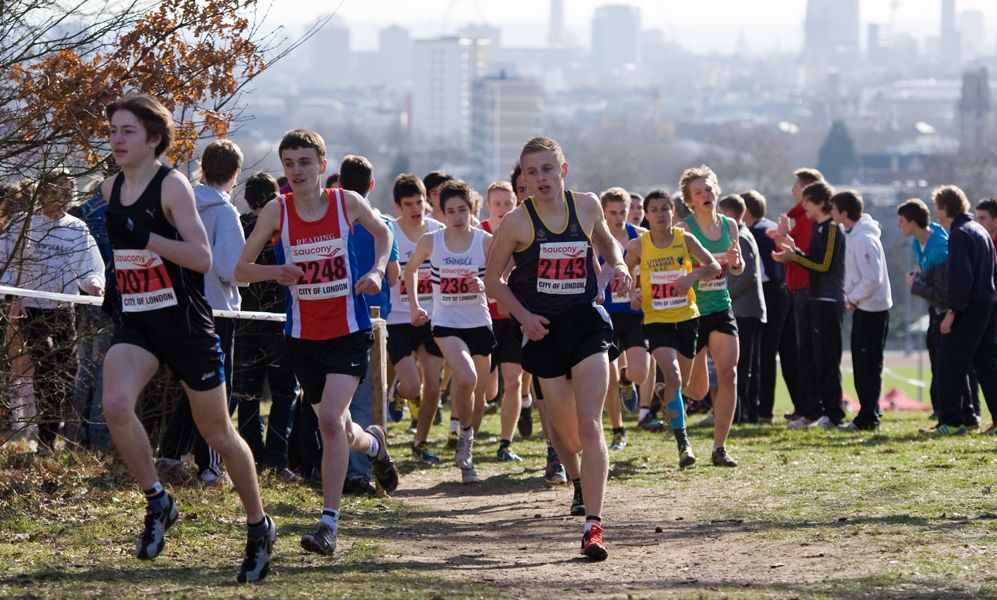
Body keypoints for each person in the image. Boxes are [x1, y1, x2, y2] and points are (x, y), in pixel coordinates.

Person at [98, 94, 273, 582]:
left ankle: (259, 526)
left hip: (185, 324)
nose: (116, 138)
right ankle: (159, 501)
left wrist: (147, 237)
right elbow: (126, 255)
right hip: (138, 320)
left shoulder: (172, 186)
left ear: (153, 138)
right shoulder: (111, 187)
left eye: (127, 130)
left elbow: (201, 258)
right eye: (113, 129)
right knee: (115, 403)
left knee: (218, 434)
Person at [235, 128, 398, 557]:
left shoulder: (347, 202)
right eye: (288, 164)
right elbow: (240, 269)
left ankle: (328, 523)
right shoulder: (277, 211)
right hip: (302, 337)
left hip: (347, 331)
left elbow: (385, 235)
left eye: (305, 162)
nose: (297, 171)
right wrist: (276, 272)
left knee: (329, 417)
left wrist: (379, 270)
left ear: (322, 166)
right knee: (340, 427)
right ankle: (375, 445)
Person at [485, 136, 631, 561]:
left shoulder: (586, 205)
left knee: (590, 424)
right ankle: (580, 481)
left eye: (547, 169)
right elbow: (494, 281)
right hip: (543, 332)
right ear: (523, 179)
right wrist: (524, 317)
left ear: (562, 170)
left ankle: (594, 527)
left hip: (586, 324)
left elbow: (607, 243)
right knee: (566, 433)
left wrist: (618, 265)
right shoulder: (515, 222)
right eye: (531, 172)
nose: (540, 178)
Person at [159, 139, 246, 485]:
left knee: (190, 388)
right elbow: (230, 268)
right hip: (217, 310)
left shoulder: (181, 205)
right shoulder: (224, 213)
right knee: (213, 389)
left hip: (180, 306)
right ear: (235, 173)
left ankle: (169, 454)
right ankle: (210, 466)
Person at [1, 171, 105, 452]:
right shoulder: (24, 224)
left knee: (66, 370)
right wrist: (14, 294)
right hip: (31, 309)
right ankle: (43, 440)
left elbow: (90, 267)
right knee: (45, 362)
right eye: (59, 191)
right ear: (44, 192)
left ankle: (49, 438)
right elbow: (7, 259)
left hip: (63, 309)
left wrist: (94, 285)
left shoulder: (77, 228)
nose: (65, 197)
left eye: (70, 192)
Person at [406, 180, 494, 483]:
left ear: (471, 210)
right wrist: (416, 306)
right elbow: (410, 269)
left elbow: (503, 277)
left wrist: (485, 286)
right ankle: (463, 445)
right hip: (446, 324)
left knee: (480, 394)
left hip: (480, 323)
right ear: (442, 213)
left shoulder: (485, 241)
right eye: (451, 211)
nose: (457, 216)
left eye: (462, 210)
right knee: (466, 377)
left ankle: (466, 443)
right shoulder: (432, 241)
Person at [626, 190, 720, 467]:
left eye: (665, 209)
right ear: (646, 214)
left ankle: (663, 393)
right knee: (675, 376)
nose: (660, 214)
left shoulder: (684, 239)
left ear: (673, 212)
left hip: (688, 317)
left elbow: (713, 265)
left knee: (684, 386)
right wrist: (632, 292)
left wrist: (692, 276)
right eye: (654, 209)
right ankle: (683, 444)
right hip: (657, 321)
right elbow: (621, 271)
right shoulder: (639, 245)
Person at [338, 155, 401, 496]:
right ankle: (359, 473)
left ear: (338, 185)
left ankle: (336, 468)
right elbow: (393, 276)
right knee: (366, 399)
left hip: (332, 317)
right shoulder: (382, 225)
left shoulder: (332, 220)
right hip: (374, 320)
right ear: (371, 186)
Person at [233, 172, 300, 480]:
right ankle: (277, 457)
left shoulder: (239, 227)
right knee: (285, 391)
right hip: (279, 320)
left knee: (247, 394)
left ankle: (252, 454)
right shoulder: (280, 229)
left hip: (244, 321)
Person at [678, 166, 744, 466]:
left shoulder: (730, 225)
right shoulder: (685, 229)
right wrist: (699, 273)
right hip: (692, 312)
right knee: (697, 389)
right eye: (698, 192)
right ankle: (671, 388)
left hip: (720, 307)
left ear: (716, 191)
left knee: (729, 374)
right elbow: (677, 273)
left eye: (708, 189)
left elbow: (738, 267)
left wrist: (737, 262)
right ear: (690, 201)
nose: (705, 195)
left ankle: (719, 447)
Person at [897, 199, 979, 427]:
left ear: (913, 222)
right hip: (935, 310)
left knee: (950, 364)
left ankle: (965, 415)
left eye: (901, 221)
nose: (898, 226)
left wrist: (915, 286)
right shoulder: (918, 243)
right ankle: (954, 414)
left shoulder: (940, 250)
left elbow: (943, 293)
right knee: (940, 363)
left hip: (946, 311)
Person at [772, 181, 846, 430]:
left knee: (827, 359)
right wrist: (794, 253)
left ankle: (834, 413)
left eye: (807, 201)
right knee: (811, 357)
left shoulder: (833, 229)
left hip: (829, 300)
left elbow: (824, 265)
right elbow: (811, 259)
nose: (803, 206)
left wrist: (797, 257)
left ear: (821, 203)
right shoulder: (818, 228)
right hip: (815, 299)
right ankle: (814, 411)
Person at [386, 174, 444, 464]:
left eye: (419, 202)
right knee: (413, 388)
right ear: (398, 207)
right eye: (408, 204)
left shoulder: (438, 232)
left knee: (433, 387)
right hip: (398, 317)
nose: (415, 209)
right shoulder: (390, 233)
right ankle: (397, 390)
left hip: (434, 316)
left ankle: (420, 443)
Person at [929, 186, 997, 435]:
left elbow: (961, 278)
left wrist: (951, 313)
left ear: (947, 207)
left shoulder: (959, 234)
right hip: (988, 303)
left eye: (937, 208)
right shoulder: (979, 229)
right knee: (986, 363)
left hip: (969, 306)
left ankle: (951, 422)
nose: (936, 215)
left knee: (949, 362)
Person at [830, 190, 893, 432]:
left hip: (871, 309)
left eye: (834, 209)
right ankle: (869, 412)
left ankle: (868, 417)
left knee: (868, 364)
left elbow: (872, 278)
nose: (831, 213)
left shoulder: (864, 239)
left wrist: (853, 299)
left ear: (844, 212)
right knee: (863, 363)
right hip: (863, 306)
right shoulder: (853, 235)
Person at [599, 187, 654, 452]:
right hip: (606, 314)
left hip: (633, 314)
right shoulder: (596, 238)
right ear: (603, 212)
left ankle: (627, 379)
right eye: (613, 213)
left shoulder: (641, 237)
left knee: (641, 373)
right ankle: (618, 430)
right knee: (607, 380)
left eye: (623, 212)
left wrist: (641, 291)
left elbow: (654, 268)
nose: (619, 218)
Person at [481, 180, 527, 462]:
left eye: (507, 203)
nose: (502, 208)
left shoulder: (521, 233)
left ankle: (505, 443)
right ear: (489, 206)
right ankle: (470, 434)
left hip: (511, 317)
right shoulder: (478, 233)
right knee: (487, 391)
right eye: (497, 204)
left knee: (514, 380)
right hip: (483, 319)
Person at [779, 168, 823, 420]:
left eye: (796, 187)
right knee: (800, 350)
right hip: (796, 286)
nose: (792, 191)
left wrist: (783, 239)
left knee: (807, 350)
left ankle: (812, 409)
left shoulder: (808, 221)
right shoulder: (800, 219)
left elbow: (801, 255)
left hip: (805, 288)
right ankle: (805, 407)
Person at [718, 194, 766, 424]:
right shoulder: (740, 235)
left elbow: (746, 275)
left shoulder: (742, 238)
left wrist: (724, 294)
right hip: (745, 309)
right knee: (745, 364)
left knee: (745, 364)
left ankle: (746, 412)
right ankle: (745, 412)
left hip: (745, 310)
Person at [740, 190, 787, 424]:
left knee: (761, 354)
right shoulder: (769, 228)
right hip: (783, 292)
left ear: (744, 211)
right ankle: (764, 410)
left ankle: (759, 409)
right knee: (771, 354)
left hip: (766, 293)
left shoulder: (752, 233)